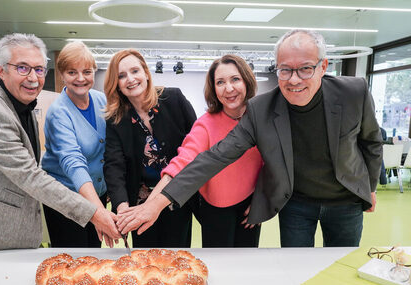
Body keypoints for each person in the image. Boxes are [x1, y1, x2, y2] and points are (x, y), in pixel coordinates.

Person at [117, 29, 383, 248]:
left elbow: (370, 142)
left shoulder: (354, 92)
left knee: (341, 266)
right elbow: (211, 159)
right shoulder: (262, 110)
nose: (293, 80)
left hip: (346, 199)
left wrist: (369, 186)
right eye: (284, 70)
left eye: (305, 69)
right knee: (295, 269)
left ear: (323, 66)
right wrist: (157, 203)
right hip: (297, 202)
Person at [0, 33, 121, 250]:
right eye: (23, 68)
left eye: (39, 69)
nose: (33, 77)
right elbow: (31, 175)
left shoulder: (20, 100)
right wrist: (95, 213)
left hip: (20, 213)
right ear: (0, 70)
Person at [135, 55, 263, 247]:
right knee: (218, 266)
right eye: (220, 82)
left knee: (246, 265)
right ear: (213, 88)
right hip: (215, 210)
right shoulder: (205, 124)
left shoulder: (260, 119)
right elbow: (182, 164)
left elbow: (272, 163)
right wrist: (151, 205)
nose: (228, 88)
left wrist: (263, 199)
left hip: (251, 204)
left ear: (247, 80)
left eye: (235, 79)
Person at [103, 49, 197, 248]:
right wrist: (123, 208)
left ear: (146, 73)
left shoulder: (174, 99)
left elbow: (197, 145)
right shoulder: (116, 119)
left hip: (176, 197)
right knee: (144, 260)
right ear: (117, 84)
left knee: (176, 257)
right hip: (139, 203)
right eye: (121, 76)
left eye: (135, 71)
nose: (130, 79)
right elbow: (114, 166)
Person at [41, 42, 108, 247]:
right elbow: (72, 161)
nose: (80, 78)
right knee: (73, 261)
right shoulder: (59, 112)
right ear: (62, 74)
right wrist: (99, 212)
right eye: (72, 72)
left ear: (94, 72)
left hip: (97, 194)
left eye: (87, 71)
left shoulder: (101, 100)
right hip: (67, 200)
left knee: (94, 255)